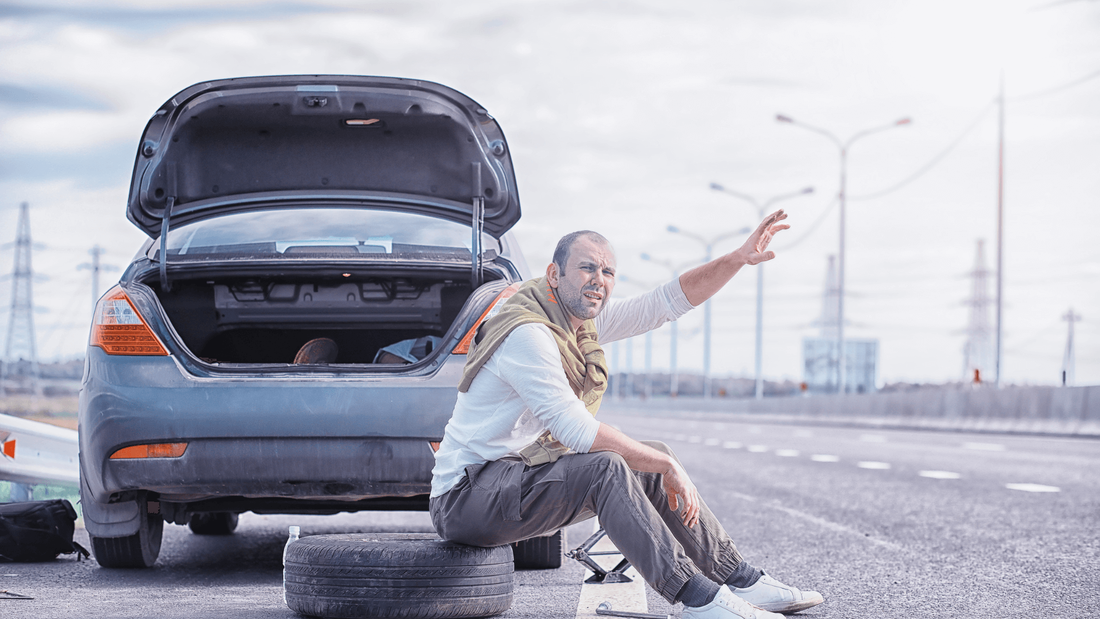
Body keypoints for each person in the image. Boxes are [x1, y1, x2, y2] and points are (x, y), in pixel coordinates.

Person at [429, 210, 824, 619]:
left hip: (516, 478)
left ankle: (738, 578)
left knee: (647, 455)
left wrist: (737, 258)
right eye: (586, 268)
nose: (598, 279)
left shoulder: (577, 324)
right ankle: (697, 599)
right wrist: (668, 465)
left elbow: (664, 303)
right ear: (554, 274)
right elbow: (573, 428)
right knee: (611, 466)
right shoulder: (527, 333)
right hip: (466, 498)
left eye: (608, 271)